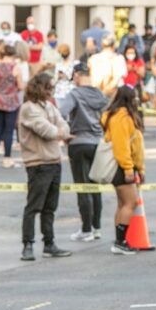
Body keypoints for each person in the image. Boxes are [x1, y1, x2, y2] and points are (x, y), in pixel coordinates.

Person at [18, 73, 72, 262]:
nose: (51, 92)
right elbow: (46, 130)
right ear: (40, 88)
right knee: (33, 206)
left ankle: (49, 243)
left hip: (54, 161)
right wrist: (61, 133)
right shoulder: (28, 109)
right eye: (48, 88)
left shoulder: (49, 106)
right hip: (38, 162)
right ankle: (28, 244)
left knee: (50, 207)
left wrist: (60, 132)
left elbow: (63, 124)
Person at [60, 63, 109, 241]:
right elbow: (108, 116)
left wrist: (66, 133)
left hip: (78, 142)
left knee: (82, 187)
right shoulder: (100, 95)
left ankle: (86, 229)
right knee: (95, 187)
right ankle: (96, 227)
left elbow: (62, 112)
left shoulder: (74, 94)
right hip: (97, 142)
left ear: (77, 76)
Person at [101, 86, 146, 255]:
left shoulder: (117, 116)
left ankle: (120, 240)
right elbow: (122, 146)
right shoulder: (121, 118)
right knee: (130, 202)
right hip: (122, 166)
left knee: (122, 204)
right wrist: (128, 168)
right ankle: (120, 241)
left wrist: (139, 168)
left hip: (124, 165)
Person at [0, 44, 24, 169]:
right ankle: (7, 158)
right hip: (11, 102)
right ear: (13, 55)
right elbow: (20, 86)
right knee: (8, 131)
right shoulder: (15, 68)